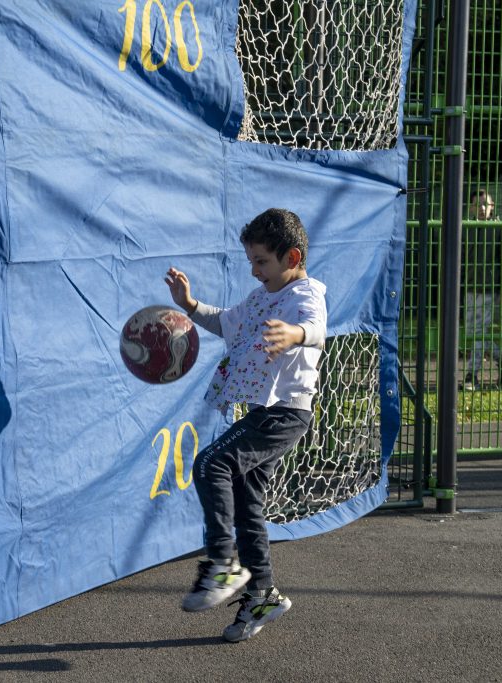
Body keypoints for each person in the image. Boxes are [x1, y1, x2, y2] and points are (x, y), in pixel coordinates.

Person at [164, 208, 326, 643]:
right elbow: (227, 322)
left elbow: (315, 328)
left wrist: (294, 335)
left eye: (262, 262)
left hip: (286, 412)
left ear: (291, 256)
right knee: (245, 499)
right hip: (263, 412)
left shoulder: (305, 294)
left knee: (210, 465)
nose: (255, 271)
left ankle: (222, 564)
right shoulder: (261, 297)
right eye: (251, 262)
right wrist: (190, 305)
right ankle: (262, 593)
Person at [461, 189, 502, 391]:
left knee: (479, 333)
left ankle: (471, 376)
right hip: (470, 288)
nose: (482, 209)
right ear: (472, 208)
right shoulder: (467, 227)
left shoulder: (501, 228)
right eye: (478, 205)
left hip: (489, 289)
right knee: (474, 333)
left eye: (486, 204)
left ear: (492, 205)